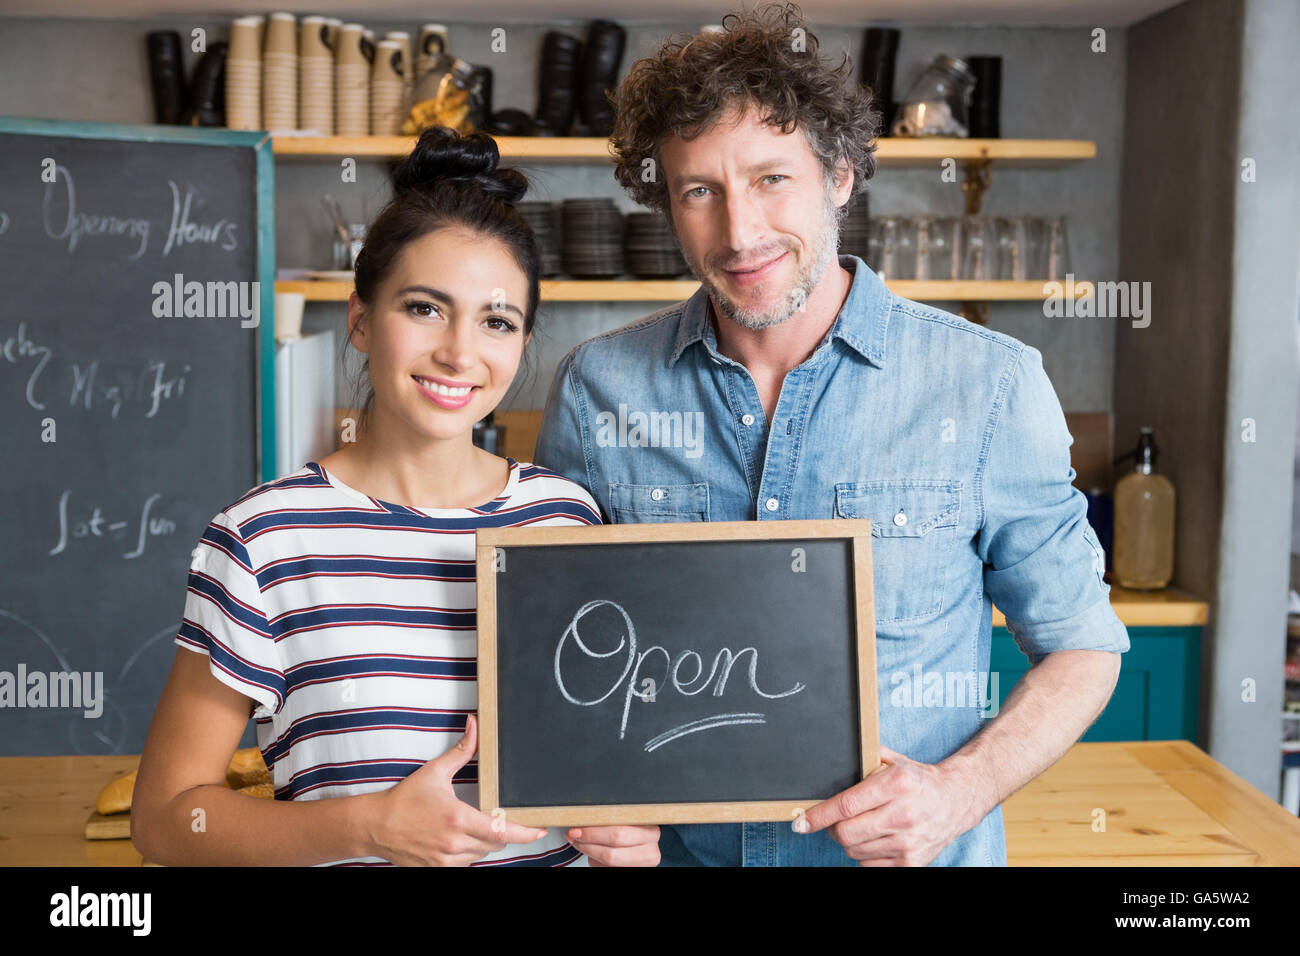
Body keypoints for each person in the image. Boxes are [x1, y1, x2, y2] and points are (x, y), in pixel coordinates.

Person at [534, 2, 1130, 866]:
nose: (739, 234)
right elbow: (561, 648)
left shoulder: (990, 384)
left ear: (841, 173)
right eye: (699, 191)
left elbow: (1083, 646)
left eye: (772, 178)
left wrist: (957, 790)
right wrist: (589, 804)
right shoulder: (600, 388)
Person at [132, 126, 660, 867]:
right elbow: (163, 820)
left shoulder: (564, 517)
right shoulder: (263, 539)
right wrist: (369, 826)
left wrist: (629, 838)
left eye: (497, 321)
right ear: (359, 319)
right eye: (423, 308)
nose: (459, 351)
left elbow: (610, 766)